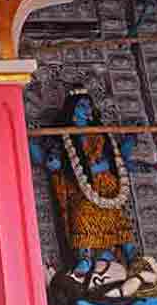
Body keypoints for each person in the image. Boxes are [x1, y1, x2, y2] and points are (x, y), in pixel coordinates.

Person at [30, 86, 138, 272]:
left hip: (108, 189)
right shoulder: (62, 135)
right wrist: (30, 141)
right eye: (82, 105)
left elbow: (120, 158)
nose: (88, 109)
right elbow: (47, 163)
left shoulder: (101, 133)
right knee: (82, 215)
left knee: (121, 224)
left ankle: (136, 263)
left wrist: (131, 138)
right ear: (72, 111)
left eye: (89, 105)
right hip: (80, 189)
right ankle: (85, 259)